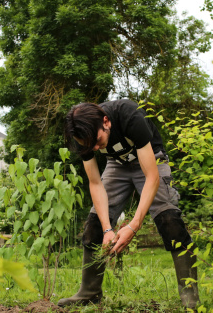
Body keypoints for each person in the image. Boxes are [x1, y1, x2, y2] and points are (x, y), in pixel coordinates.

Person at [58, 99, 199, 309]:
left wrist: (133, 225)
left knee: (169, 220)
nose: (95, 148)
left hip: (151, 159)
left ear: (106, 121)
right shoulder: (84, 134)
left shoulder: (129, 115)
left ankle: (191, 299)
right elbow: (96, 184)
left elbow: (152, 177)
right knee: (94, 223)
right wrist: (107, 229)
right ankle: (89, 292)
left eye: (97, 141)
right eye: (90, 146)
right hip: (117, 164)